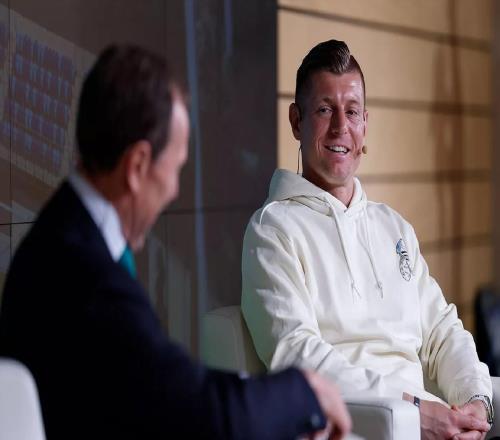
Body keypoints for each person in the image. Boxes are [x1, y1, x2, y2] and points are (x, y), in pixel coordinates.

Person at [0, 45, 352, 439]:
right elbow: (196, 410)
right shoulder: (86, 276)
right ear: (137, 166)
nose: (174, 190)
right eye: (175, 168)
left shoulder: (64, 235)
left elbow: (167, 382)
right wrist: (304, 391)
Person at [241, 39, 493, 440]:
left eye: (352, 111)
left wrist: (476, 402)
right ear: (296, 121)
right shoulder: (272, 230)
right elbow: (298, 355)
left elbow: (442, 330)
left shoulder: (393, 227)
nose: (341, 126)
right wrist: (414, 409)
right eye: (325, 110)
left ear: (365, 123)